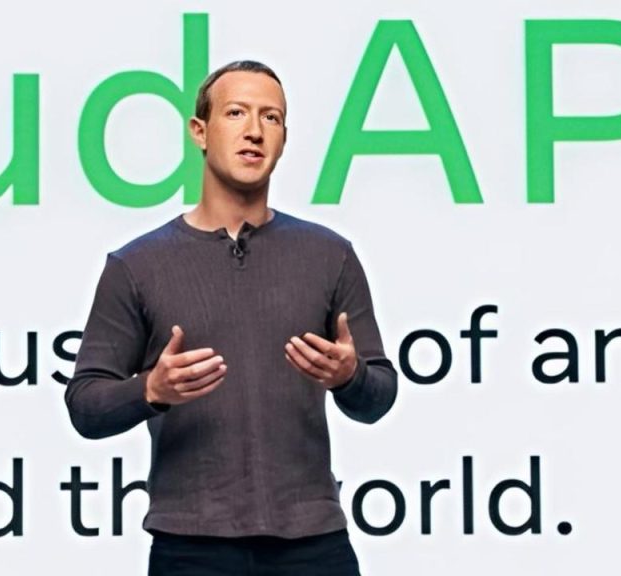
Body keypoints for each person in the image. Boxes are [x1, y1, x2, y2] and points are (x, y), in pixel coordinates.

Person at [64, 60, 397, 576]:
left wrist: (350, 376)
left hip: (313, 543)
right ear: (199, 131)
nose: (254, 131)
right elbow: (85, 405)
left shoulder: (330, 255)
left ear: (284, 139)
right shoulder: (136, 265)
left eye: (271, 118)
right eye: (237, 113)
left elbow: (380, 396)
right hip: (191, 547)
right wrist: (150, 389)